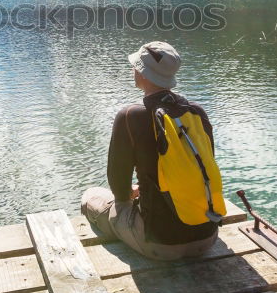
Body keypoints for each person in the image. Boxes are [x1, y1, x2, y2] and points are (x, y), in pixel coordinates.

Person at [80, 41, 223, 260]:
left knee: (91, 197)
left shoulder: (130, 116)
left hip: (161, 245)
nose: (133, 70)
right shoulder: (197, 112)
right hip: (208, 237)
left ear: (143, 74)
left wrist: (132, 192)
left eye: (136, 66)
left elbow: (118, 188)